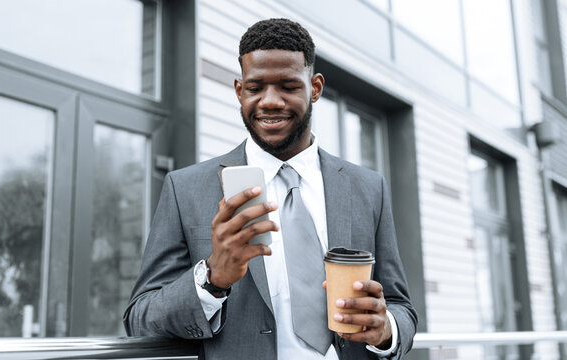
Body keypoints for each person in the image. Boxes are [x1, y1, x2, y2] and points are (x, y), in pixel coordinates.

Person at [124, 18, 417, 360]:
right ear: (239, 90)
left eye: (288, 86)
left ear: (316, 88)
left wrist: (386, 331)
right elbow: (140, 320)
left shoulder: (368, 188)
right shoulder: (185, 189)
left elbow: (401, 309)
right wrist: (212, 279)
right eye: (255, 87)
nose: (270, 101)